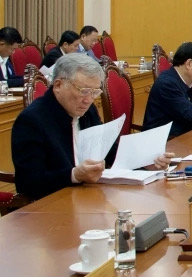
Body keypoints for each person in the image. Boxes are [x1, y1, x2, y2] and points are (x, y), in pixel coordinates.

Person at [11, 53, 168, 200]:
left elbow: (108, 151)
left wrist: (145, 162)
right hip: (54, 204)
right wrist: (74, 175)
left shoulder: (88, 111)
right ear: (58, 85)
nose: (88, 100)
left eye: (95, 92)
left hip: (90, 196)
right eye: (84, 91)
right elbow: (28, 183)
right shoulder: (32, 121)